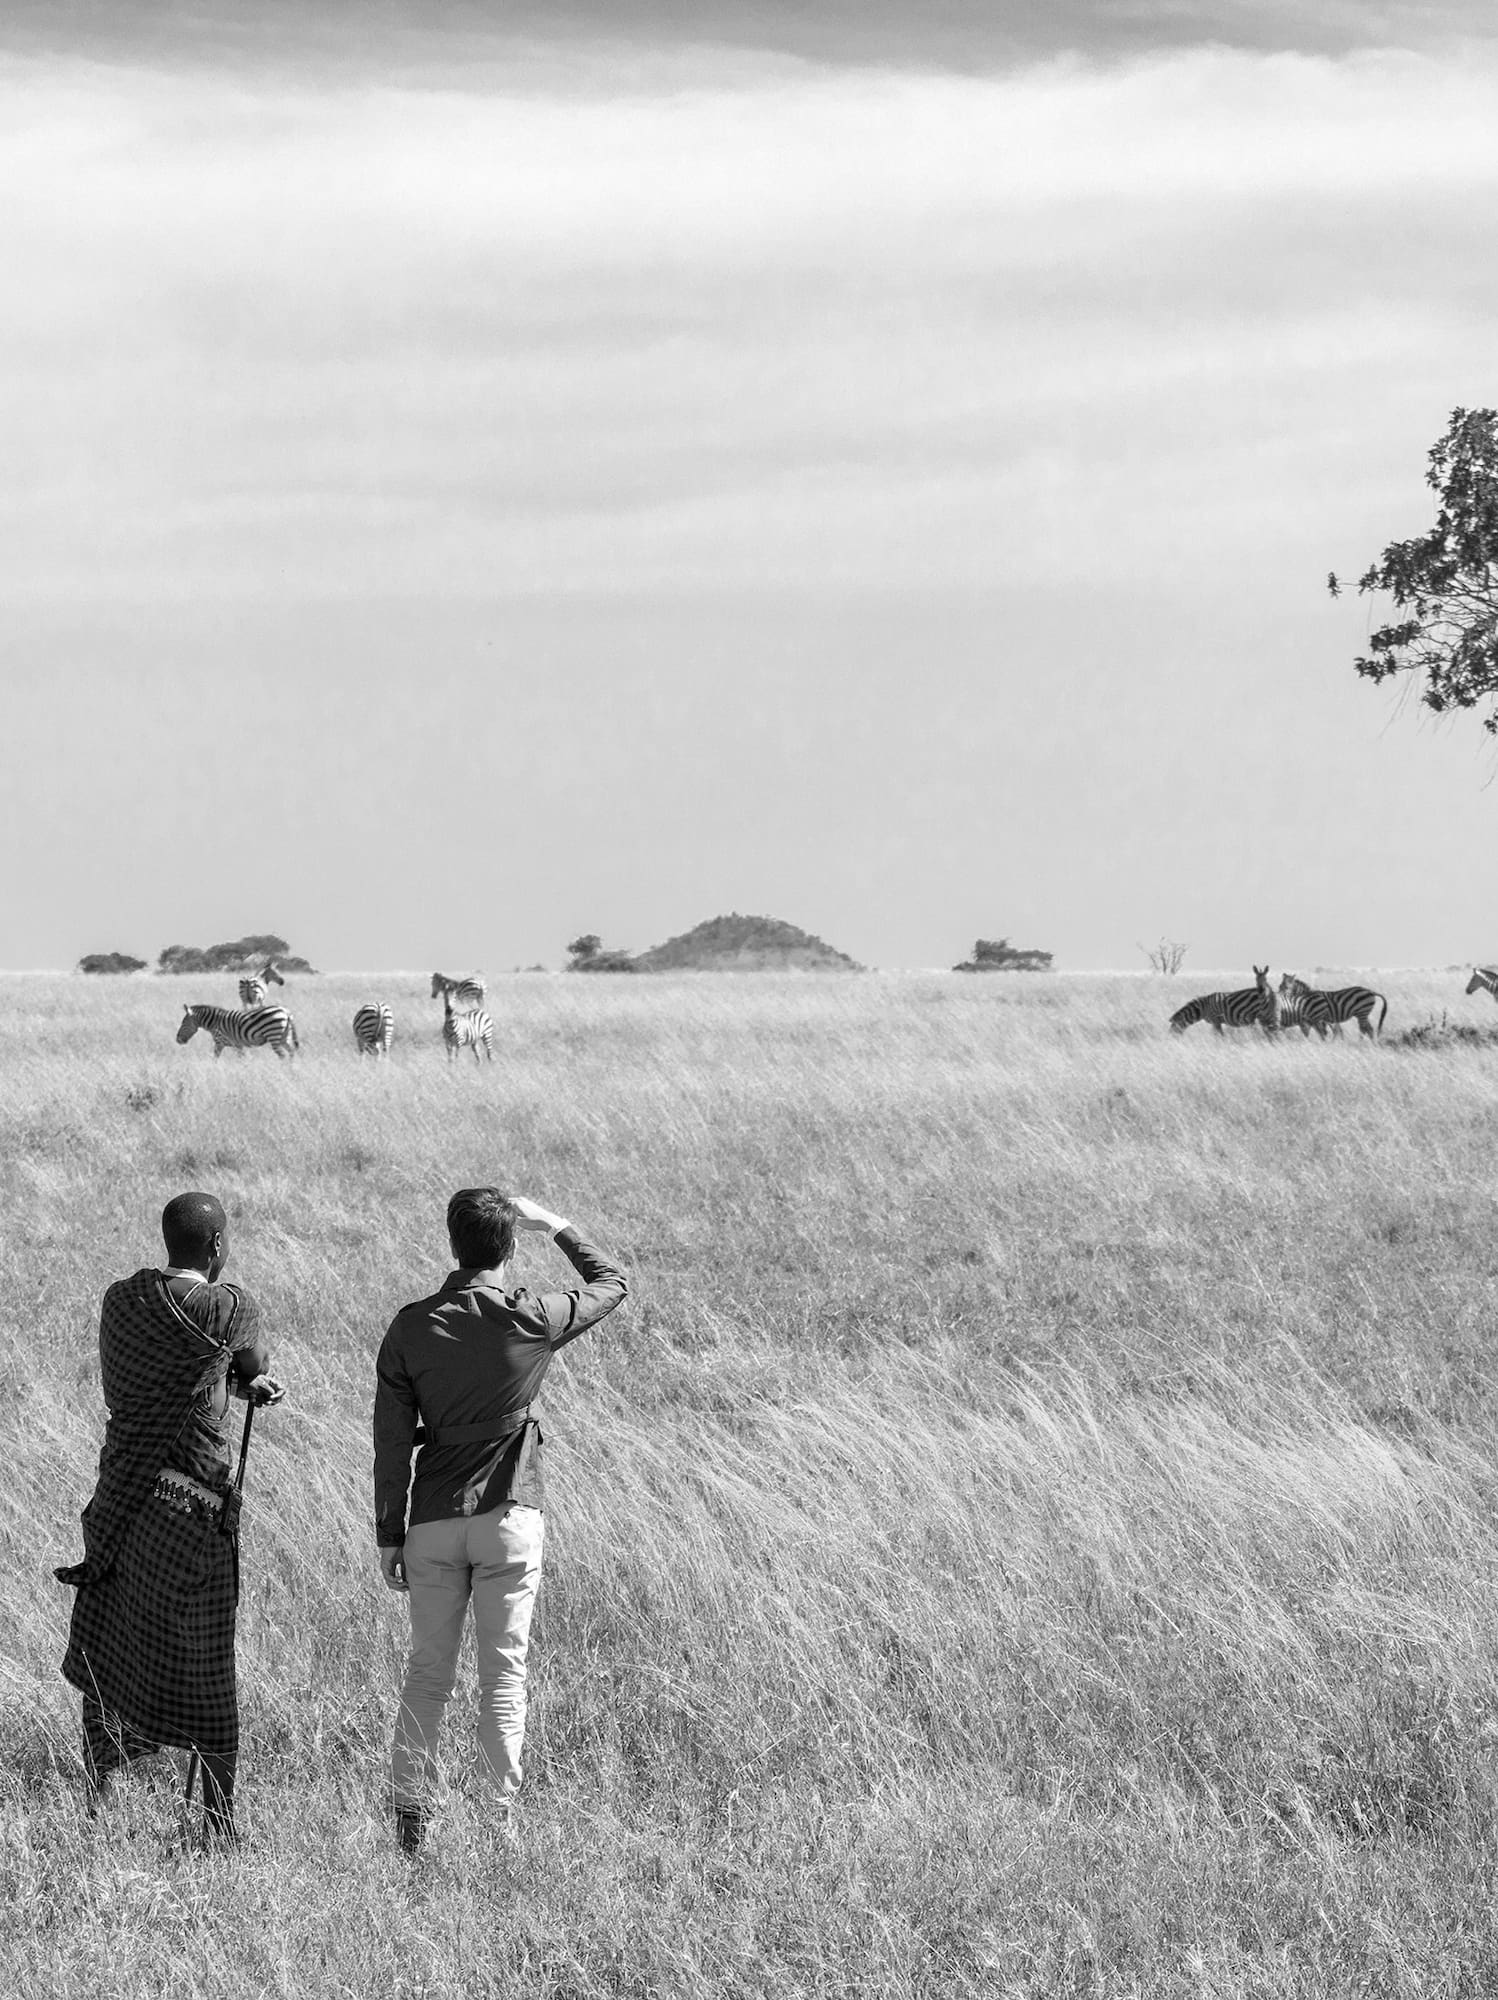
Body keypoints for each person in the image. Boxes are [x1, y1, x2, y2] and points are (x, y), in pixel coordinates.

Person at [374, 1189, 628, 1853]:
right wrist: (556, 1222)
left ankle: (410, 1827)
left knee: (427, 1676)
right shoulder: (531, 1317)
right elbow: (612, 1283)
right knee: (503, 1679)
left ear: (452, 1243)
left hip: (429, 1522)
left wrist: (388, 1533)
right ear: (510, 1247)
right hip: (510, 1515)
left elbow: (391, 1440)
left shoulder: (409, 1326)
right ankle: (495, 1827)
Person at [55, 1192, 283, 1845]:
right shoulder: (229, 1305)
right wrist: (249, 1380)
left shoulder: (121, 1300)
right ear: (215, 1247)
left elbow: (191, 1377)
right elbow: (252, 1363)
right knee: (205, 1659)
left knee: (110, 1642)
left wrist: (233, 1382)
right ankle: (218, 1819)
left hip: (120, 1504)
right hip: (191, 1511)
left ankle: (96, 1791)